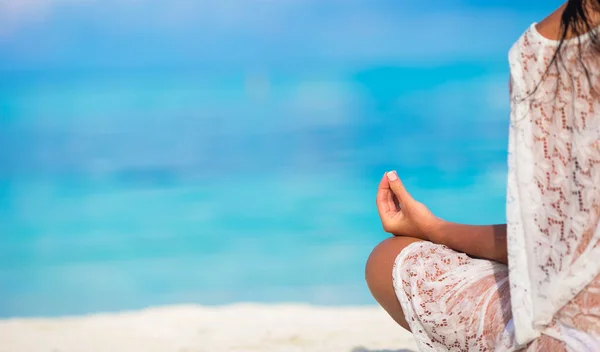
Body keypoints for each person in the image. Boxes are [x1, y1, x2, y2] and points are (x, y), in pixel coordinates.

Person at [365, 1, 600, 350]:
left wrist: (431, 228)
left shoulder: (549, 47)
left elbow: (547, 251)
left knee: (386, 260)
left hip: (575, 337)